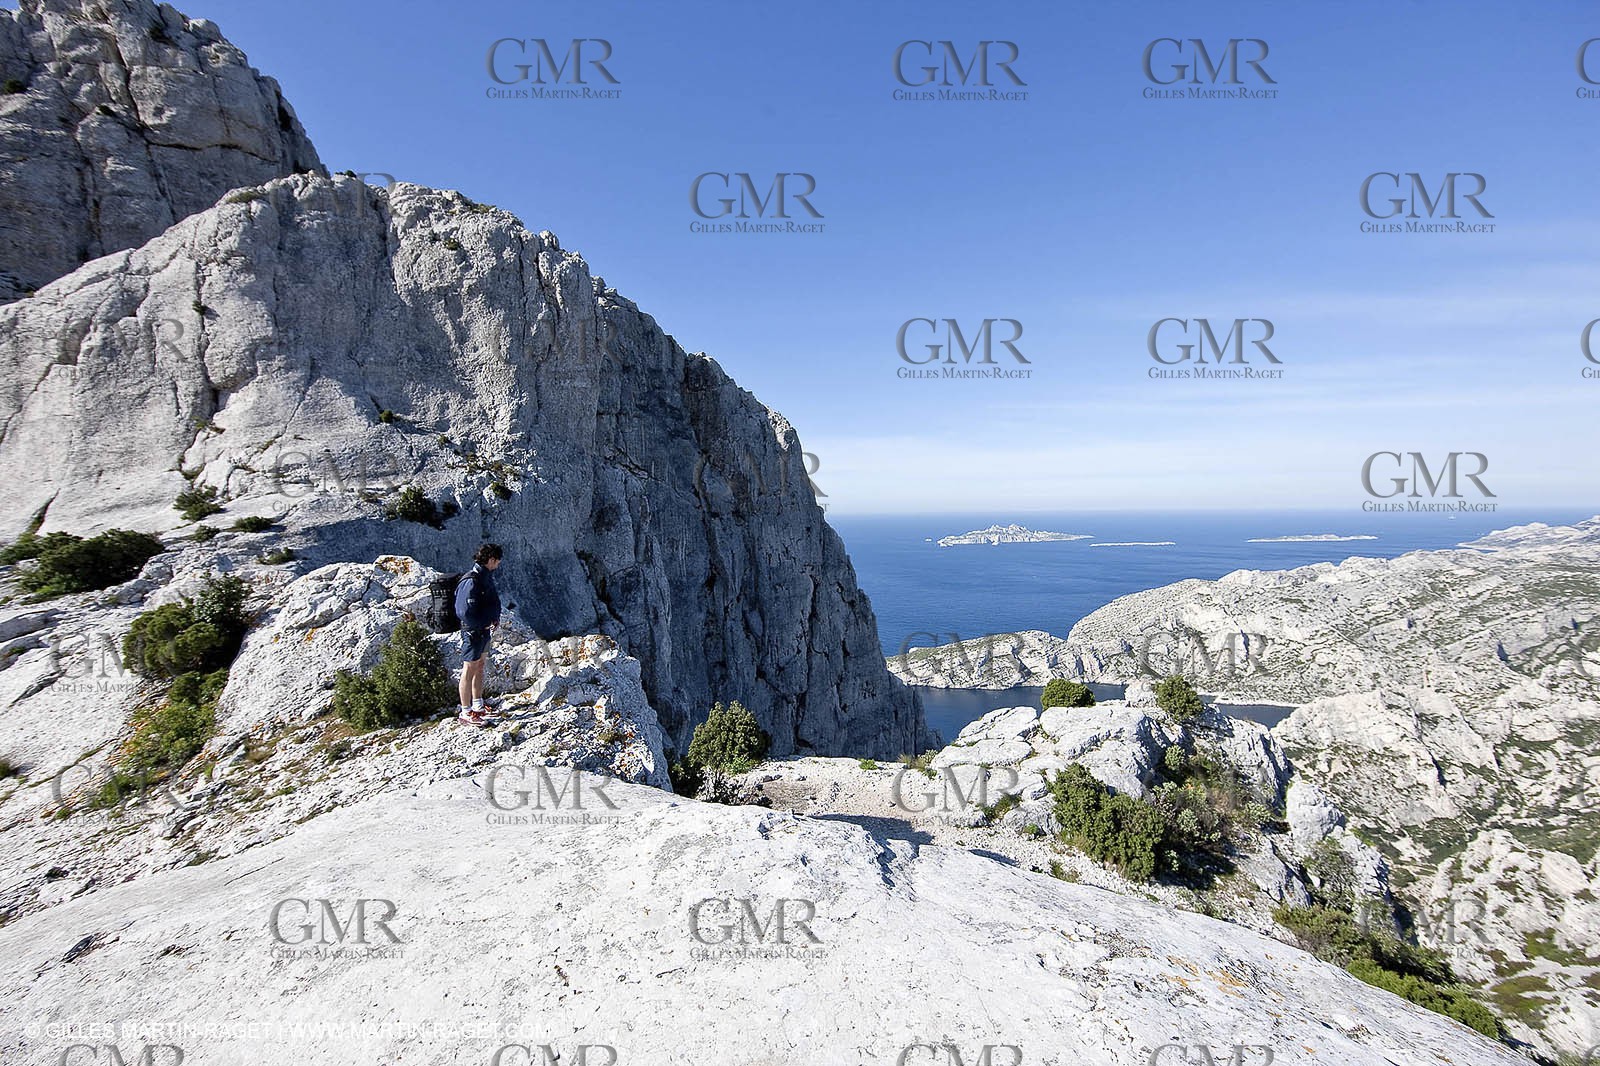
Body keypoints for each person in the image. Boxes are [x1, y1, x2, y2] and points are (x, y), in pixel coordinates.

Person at [455, 543, 503, 726]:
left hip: (483, 630)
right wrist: (482, 623)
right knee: (469, 668)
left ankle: (478, 705)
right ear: (491, 560)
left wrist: (494, 618)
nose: (498, 565)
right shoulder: (472, 580)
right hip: (472, 632)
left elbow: (492, 601)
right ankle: (466, 712)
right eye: (497, 561)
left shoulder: (485, 577)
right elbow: (464, 612)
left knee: (480, 665)